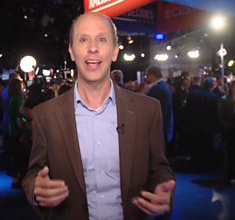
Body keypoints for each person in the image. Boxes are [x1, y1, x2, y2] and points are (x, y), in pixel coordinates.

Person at [22, 12, 175, 220]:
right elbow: (33, 173)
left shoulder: (147, 110)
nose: (92, 48)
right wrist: (36, 190)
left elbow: (159, 168)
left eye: (101, 39)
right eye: (83, 39)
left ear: (114, 51)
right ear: (72, 51)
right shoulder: (45, 115)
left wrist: (163, 193)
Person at [145, 65, 174, 153]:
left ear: (152, 75)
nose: (146, 78)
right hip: (166, 125)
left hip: (158, 127)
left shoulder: (157, 89)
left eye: (147, 75)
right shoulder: (166, 86)